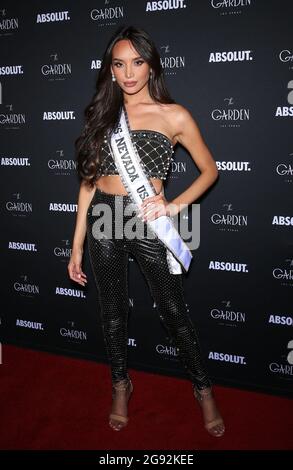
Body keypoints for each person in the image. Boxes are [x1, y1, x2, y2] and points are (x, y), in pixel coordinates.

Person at [68, 25, 225, 437]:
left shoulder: (175, 115)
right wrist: (76, 244)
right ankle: (121, 384)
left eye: (137, 62)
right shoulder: (102, 114)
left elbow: (210, 170)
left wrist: (174, 205)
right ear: (111, 70)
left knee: (174, 312)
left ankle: (203, 388)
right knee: (113, 312)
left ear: (151, 64)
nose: (129, 72)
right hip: (103, 215)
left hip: (148, 219)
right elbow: (88, 184)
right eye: (119, 64)